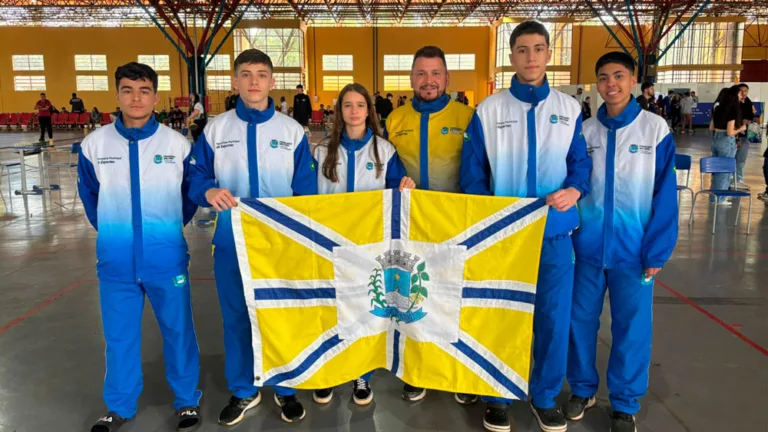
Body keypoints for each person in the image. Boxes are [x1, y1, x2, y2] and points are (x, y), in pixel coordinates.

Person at [460, 21, 591, 432]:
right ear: (511, 56)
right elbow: (473, 173)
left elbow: (580, 165)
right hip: (505, 237)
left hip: (554, 235)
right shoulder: (489, 110)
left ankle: (545, 396)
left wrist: (575, 189)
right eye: (521, 49)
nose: (530, 57)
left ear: (549, 54)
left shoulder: (570, 110)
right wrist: (489, 219)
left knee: (552, 319)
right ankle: (497, 394)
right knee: (500, 316)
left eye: (538, 49)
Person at [187, 49, 317, 426]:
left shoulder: (292, 131)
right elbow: (194, 177)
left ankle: (285, 387)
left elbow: (306, 191)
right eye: (246, 74)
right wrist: (208, 191)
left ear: (272, 81)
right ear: (235, 81)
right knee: (237, 317)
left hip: (281, 241)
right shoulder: (216, 129)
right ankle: (244, 389)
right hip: (231, 241)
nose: (254, 82)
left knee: (282, 313)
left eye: (261, 74)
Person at [78, 62, 202, 432]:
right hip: (116, 262)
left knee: (179, 331)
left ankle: (187, 401)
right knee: (119, 336)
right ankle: (119, 405)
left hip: (166, 258)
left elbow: (188, 197)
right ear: (117, 95)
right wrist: (116, 234)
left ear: (156, 96)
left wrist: (164, 230)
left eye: (144, 90)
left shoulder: (177, 144)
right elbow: (90, 195)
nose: (136, 97)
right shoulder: (95, 145)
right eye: (128, 90)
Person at [565, 51, 678, 432]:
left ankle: (625, 402)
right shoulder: (584, 131)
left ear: (633, 81)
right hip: (586, 249)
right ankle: (582, 389)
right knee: (578, 322)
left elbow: (665, 195)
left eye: (618, 76)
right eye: (602, 77)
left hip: (635, 252)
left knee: (631, 326)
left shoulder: (655, 130)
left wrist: (656, 250)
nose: (610, 84)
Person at [311, 83, 415, 406]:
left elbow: (399, 186)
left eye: (360, 105)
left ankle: (361, 373)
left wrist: (406, 184)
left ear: (369, 111)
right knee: (329, 309)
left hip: (370, 248)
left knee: (364, 310)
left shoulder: (385, 151)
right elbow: (305, 196)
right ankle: (327, 372)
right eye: (347, 105)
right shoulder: (322, 150)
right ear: (339, 111)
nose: (354, 111)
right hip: (330, 245)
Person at [384, 45, 474, 401]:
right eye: (421, 73)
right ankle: (418, 370)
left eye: (435, 73)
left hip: (456, 223)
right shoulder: (395, 120)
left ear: (447, 78)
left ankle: (457, 372)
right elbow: (388, 171)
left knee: (456, 298)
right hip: (412, 228)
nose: (428, 80)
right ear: (411, 78)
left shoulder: (468, 117)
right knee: (416, 298)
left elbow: (479, 167)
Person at [708, 86, 745, 205]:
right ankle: (721, 198)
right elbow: (730, 132)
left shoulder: (718, 109)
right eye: (740, 94)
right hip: (726, 141)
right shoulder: (732, 111)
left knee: (716, 170)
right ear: (735, 96)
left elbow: (711, 128)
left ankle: (714, 197)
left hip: (716, 140)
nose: (741, 96)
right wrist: (740, 129)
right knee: (725, 171)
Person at [736, 83, 755, 189]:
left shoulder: (748, 103)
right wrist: (736, 138)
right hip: (734, 134)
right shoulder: (734, 103)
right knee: (731, 158)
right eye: (741, 91)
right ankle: (727, 179)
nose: (743, 93)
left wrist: (750, 120)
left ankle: (738, 179)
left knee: (741, 158)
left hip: (745, 134)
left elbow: (750, 116)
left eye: (745, 91)